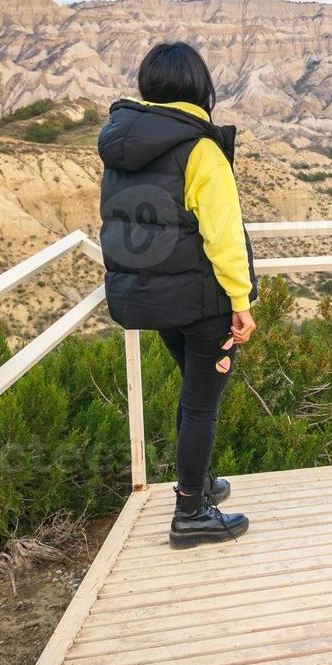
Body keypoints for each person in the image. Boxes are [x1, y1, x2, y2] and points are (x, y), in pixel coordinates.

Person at [97, 41, 258, 548]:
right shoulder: (200, 148)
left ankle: (201, 482)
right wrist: (241, 300)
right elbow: (223, 234)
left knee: (194, 395)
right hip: (201, 299)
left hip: (154, 296)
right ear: (199, 87)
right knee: (202, 403)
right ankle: (190, 510)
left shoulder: (122, 144)